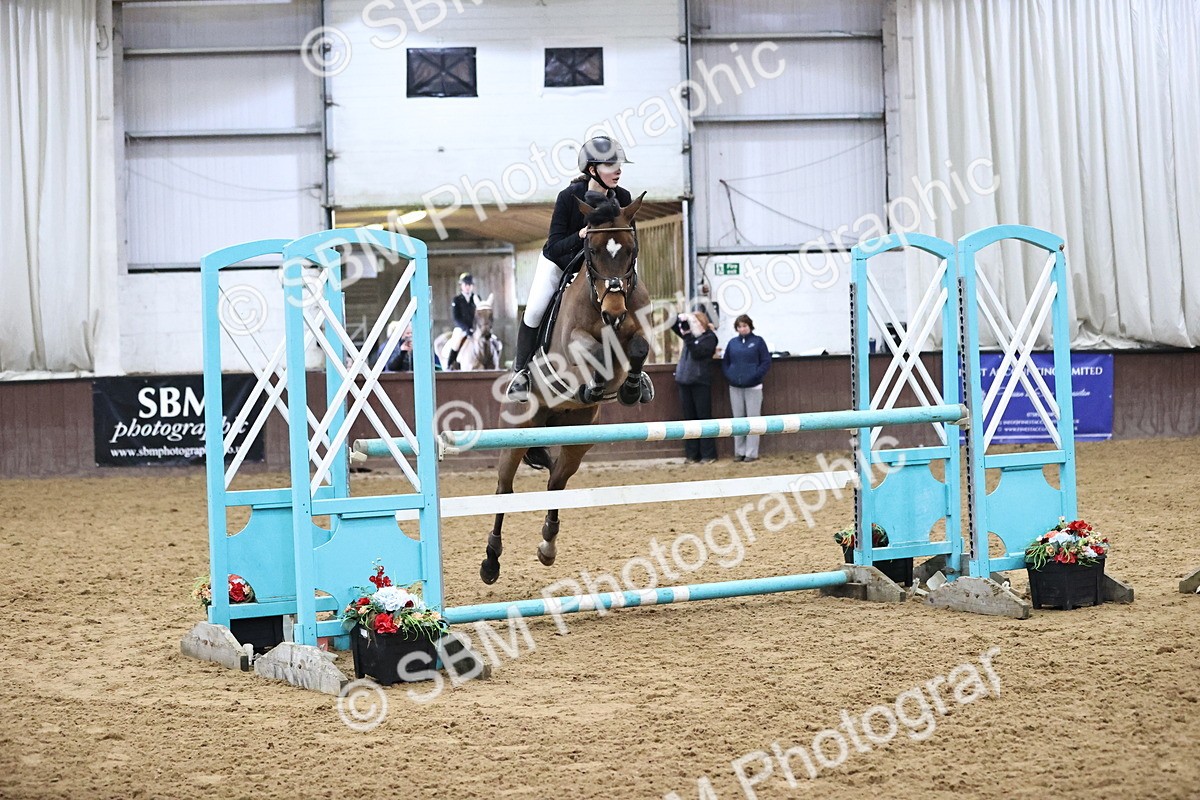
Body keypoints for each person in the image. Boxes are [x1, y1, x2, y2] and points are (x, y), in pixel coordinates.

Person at [507, 135, 635, 401]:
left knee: (631, 294)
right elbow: (554, 246)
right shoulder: (568, 197)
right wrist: (581, 235)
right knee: (534, 310)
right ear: (592, 170)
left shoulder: (623, 197)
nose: (618, 170)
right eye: (610, 166)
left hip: (604, 267)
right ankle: (521, 372)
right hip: (562, 262)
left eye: (619, 165)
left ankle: (637, 370)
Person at [722, 314, 771, 462]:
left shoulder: (758, 342)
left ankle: (751, 453)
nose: (742, 329)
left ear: (750, 326)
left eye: (745, 326)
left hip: (754, 387)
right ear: (736, 328)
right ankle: (739, 451)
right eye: (739, 326)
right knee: (738, 421)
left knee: (753, 420)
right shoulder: (732, 343)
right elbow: (726, 362)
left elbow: (765, 362)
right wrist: (730, 375)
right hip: (735, 387)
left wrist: (756, 376)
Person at [671, 310, 719, 464]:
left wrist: (687, 336)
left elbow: (698, 353)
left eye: (696, 322)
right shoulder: (690, 337)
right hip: (684, 381)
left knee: (704, 418)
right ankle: (692, 454)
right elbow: (673, 326)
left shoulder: (710, 338)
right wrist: (680, 317)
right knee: (689, 420)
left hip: (700, 382)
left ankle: (708, 454)